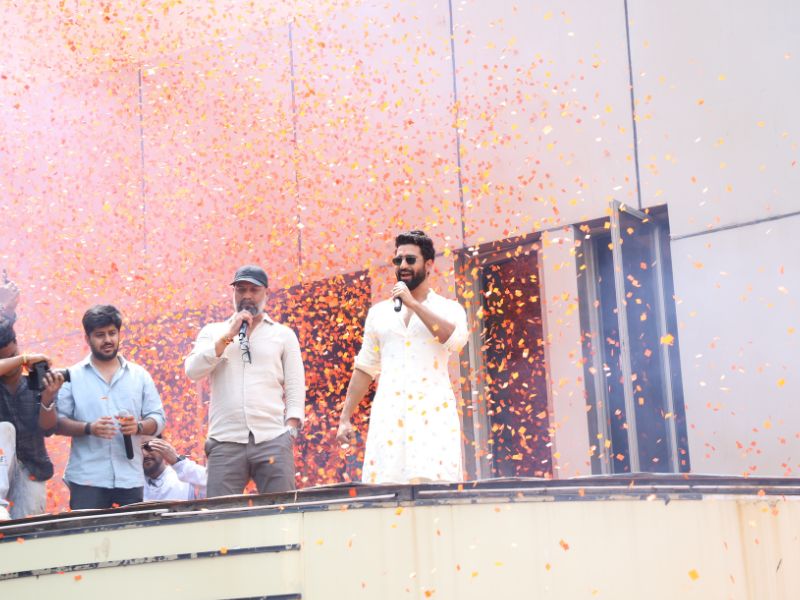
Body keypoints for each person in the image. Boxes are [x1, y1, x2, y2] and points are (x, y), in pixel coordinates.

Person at [336, 230, 469, 483]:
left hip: (432, 421)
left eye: (410, 259)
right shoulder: (379, 314)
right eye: (398, 260)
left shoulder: (449, 309)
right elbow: (365, 367)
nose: (403, 265)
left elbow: (455, 340)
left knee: (434, 492)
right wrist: (345, 418)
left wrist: (414, 305)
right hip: (389, 422)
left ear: (429, 265)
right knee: (386, 491)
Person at [185, 265, 305, 497]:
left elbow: (295, 383)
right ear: (233, 293)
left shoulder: (283, 335)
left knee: (282, 511)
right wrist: (229, 335)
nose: (247, 296)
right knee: (220, 513)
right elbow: (193, 370)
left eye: (254, 290)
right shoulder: (214, 332)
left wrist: (290, 429)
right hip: (225, 440)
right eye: (241, 290)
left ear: (266, 293)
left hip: (272, 437)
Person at [56, 305, 166, 510]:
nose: (107, 340)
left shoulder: (139, 375)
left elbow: (158, 418)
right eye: (100, 335)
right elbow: (57, 423)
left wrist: (138, 427)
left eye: (112, 333)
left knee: (131, 530)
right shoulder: (72, 376)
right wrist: (89, 428)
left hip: (130, 477)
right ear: (87, 338)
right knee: (89, 531)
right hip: (87, 479)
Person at [0, 316, 63, 520]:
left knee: (27, 531)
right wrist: (23, 359)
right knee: (5, 428)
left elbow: (48, 429)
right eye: (5, 360)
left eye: (13, 354)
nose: (12, 366)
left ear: (17, 344)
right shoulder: (22, 360)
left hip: (32, 468)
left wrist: (47, 399)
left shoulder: (35, 382)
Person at [142, 436, 207, 501]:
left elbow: (209, 484)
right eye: (137, 451)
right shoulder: (137, 484)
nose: (144, 453)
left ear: (163, 445)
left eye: (148, 447)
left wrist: (177, 461)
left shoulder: (184, 474)